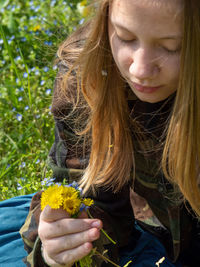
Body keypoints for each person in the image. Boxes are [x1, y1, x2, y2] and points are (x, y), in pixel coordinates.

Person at [20, 0, 200, 266]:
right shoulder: (89, 73)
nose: (140, 70)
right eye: (125, 37)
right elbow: (90, 197)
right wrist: (62, 244)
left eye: (170, 46)